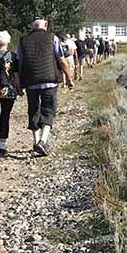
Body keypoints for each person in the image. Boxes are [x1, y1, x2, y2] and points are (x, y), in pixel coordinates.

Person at [16, 19, 74, 156]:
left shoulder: (22, 40)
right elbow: (61, 59)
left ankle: (36, 142)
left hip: (31, 81)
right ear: (46, 25)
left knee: (33, 110)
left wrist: (19, 84)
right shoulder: (52, 37)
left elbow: (19, 63)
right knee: (49, 110)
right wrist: (69, 78)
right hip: (50, 81)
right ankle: (43, 141)